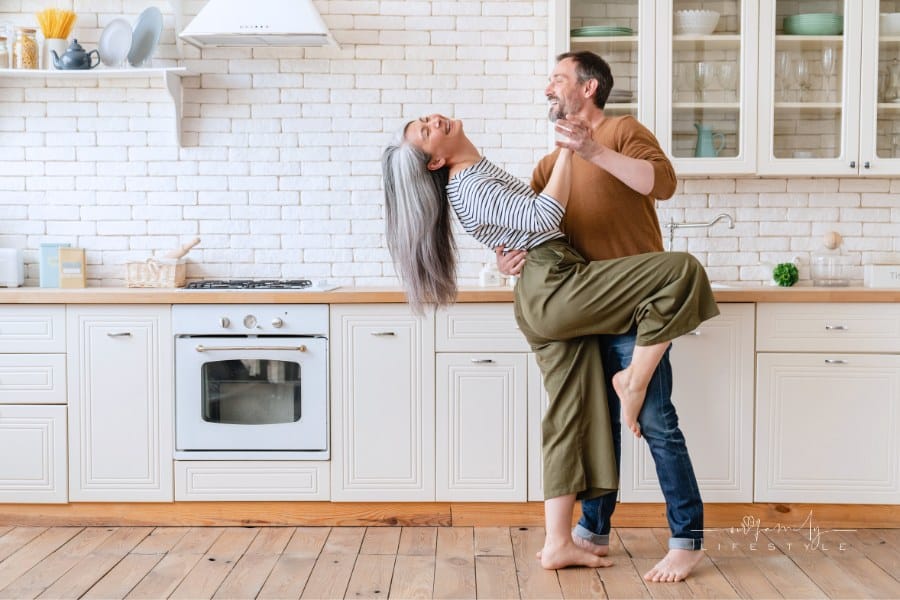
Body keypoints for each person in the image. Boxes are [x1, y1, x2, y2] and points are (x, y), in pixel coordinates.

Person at [381, 112, 719, 571]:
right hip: (556, 285)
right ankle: (634, 383)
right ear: (436, 161)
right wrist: (570, 146)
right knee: (681, 270)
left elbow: (529, 222)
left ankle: (564, 540)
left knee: (572, 417)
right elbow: (545, 215)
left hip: (556, 284)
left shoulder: (478, 173)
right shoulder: (469, 182)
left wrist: (506, 247)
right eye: (425, 130)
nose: (433, 119)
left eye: (424, 121)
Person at [497, 50, 707, 582]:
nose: (549, 88)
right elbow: (529, 232)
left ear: (588, 88)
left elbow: (659, 184)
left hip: (640, 313)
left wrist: (592, 149)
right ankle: (591, 530)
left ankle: (686, 539)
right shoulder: (547, 167)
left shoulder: (622, 130)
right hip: (582, 311)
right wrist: (505, 256)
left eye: (558, 79)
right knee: (595, 426)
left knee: (658, 424)